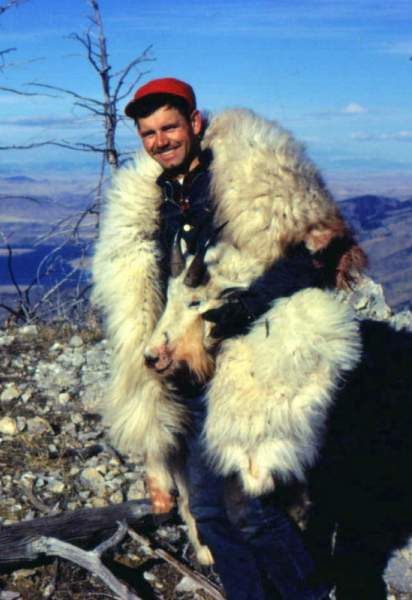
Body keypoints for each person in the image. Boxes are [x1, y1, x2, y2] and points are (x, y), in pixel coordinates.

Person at [92, 78, 366, 599]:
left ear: (194, 124)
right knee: (212, 513)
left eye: (169, 127)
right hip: (187, 368)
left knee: (253, 509)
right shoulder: (157, 198)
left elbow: (306, 257)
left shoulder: (241, 177)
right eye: (149, 133)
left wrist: (244, 305)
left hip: (249, 360)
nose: (160, 140)